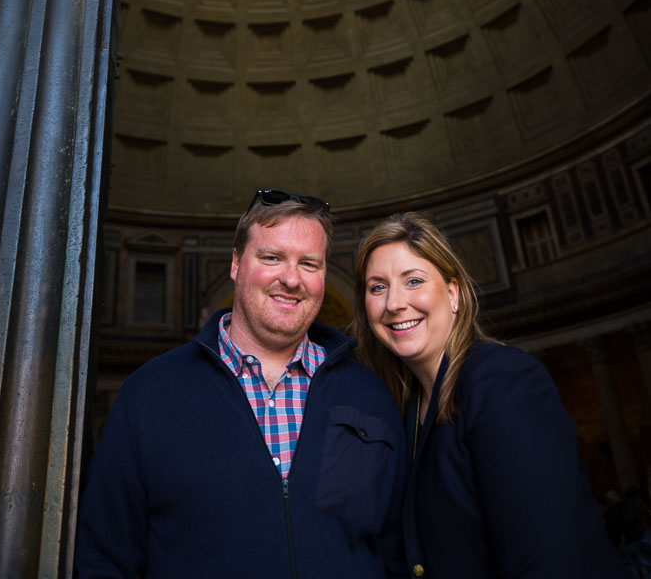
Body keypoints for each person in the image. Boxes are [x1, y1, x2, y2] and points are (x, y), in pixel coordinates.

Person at [75, 189, 407, 578]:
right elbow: (104, 558)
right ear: (236, 263)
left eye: (310, 264)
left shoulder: (369, 395)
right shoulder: (150, 393)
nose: (291, 278)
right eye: (272, 257)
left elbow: (397, 550)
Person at [352, 210, 624, 579]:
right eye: (377, 287)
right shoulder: (409, 407)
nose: (394, 303)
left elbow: (550, 563)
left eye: (413, 280)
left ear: (453, 294)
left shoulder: (503, 382)